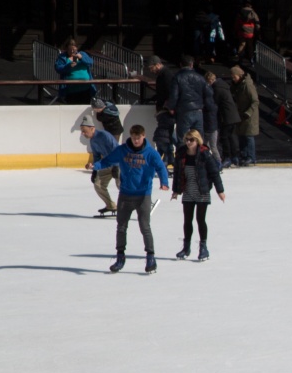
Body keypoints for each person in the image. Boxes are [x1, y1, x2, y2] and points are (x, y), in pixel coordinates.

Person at [94, 124, 169, 273]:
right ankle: (120, 257)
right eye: (133, 138)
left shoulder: (150, 153)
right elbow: (108, 160)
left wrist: (164, 182)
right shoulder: (123, 150)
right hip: (125, 194)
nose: (135, 141)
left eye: (138, 138)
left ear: (143, 136)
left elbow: (161, 167)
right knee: (121, 227)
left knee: (145, 227)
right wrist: (95, 165)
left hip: (143, 195)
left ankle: (150, 257)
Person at [171, 129, 226, 261]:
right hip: (188, 192)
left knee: (200, 220)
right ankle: (186, 247)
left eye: (192, 140)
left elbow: (214, 173)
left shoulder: (204, 154)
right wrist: (176, 191)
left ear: (197, 140)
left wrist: (220, 191)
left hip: (202, 192)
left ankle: (203, 247)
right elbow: (178, 173)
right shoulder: (182, 154)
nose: (189, 142)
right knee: (187, 220)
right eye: (187, 140)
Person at [80, 116, 118, 216]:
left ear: (92, 128)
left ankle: (143, 204)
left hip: (119, 163)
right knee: (98, 185)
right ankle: (111, 205)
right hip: (107, 164)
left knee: (122, 186)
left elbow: (116, 150)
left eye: (84, 131)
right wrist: (94, 170)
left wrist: (116, 166)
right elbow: (96, 156)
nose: (83, 134)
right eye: (82, 131)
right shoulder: (92, 140)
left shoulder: (104, 135)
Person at [171, 56, 209, 141]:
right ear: (192, 64)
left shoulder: (177, 77)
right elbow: (208, 94)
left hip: (184, 111)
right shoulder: (200, 77)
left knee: (182, 139)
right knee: (199, 139)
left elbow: (174, 96)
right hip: (198, 110)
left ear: (181, 65)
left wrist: (171, 107)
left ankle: (182, 154)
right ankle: (199, 154)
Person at [232, 65, 262, 167]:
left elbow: (255, 101)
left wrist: (248, 112)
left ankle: (251, 157)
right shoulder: (239, 85)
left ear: (239, 75)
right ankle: (244, 155)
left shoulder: (248, 85)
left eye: (234, 77)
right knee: (241, 135)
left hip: (249, 116)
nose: (233, 79)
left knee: (248, 136)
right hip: (242, 114)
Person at [55, 39, 95, 105]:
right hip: (71, 90)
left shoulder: (82, 54)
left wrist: (82, 58)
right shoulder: (62, 57)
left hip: (85, 89)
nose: (72, 51)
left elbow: (90, 62)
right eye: (70, 50)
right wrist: (68, 66)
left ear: (77, 48)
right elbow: (58, 68)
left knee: (84, 107)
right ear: (66, 49)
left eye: (74, 50)